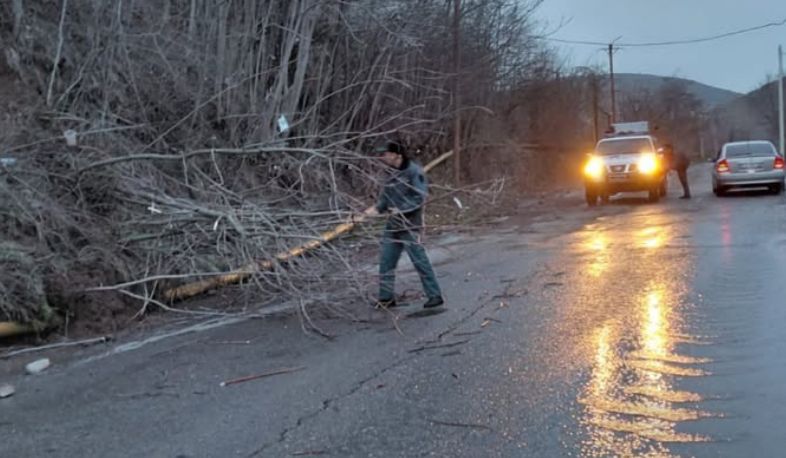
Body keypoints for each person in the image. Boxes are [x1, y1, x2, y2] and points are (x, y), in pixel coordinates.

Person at [363, 142, 444, 309]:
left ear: (396, 155)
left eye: (385, 154)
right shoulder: (390, 173)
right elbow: (385, 199)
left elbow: (419, 197)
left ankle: (435, 295)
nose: (382, 157)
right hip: (393, 226)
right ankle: (386, 298)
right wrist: (373, 211)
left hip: (410, 225)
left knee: (419, 261)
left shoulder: (414, 172)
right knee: (386, 262)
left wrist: (400, 210)